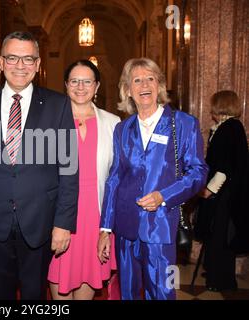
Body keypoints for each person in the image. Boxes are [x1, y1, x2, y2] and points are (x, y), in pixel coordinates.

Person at [0, 31, 79, 300]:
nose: (20, 66)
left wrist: (63, 223)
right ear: (1, 63)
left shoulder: (58, 105)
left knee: (34, 294)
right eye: (12, 58)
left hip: (40, 219)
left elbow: (69, 169)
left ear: (38, 65)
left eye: (28, 59)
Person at [97, 58, 208, 300]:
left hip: (161, 227)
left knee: (162, 293)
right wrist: (105, 228)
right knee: (127, 293)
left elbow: (198, 172)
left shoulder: (184, 124)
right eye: (137, 80)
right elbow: (115, 177)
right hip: (125, 228)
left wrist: (163, 196)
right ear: (128, 90)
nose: (144, 85)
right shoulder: (122, 128)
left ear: (159, 86)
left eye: (150, 78)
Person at [48, 60, 120, 300]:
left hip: (95, 215)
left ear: (97, 85)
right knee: (58, 280)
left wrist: (108, 227)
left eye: (87, 81)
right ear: (66, 85)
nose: (81, 86)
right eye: (74, 81)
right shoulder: (49, 120)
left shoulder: (113, 123)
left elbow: (117, 176)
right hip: (58, 214)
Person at [196, 90, 248, 291]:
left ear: (220, 105)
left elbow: (225, 167)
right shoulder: (226, 127)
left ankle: (221, 280)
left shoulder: (230, 128)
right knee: (214, 233)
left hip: (224, 194)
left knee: (220, 236)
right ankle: (214, 271)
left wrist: (209, 190)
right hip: (223, 192)